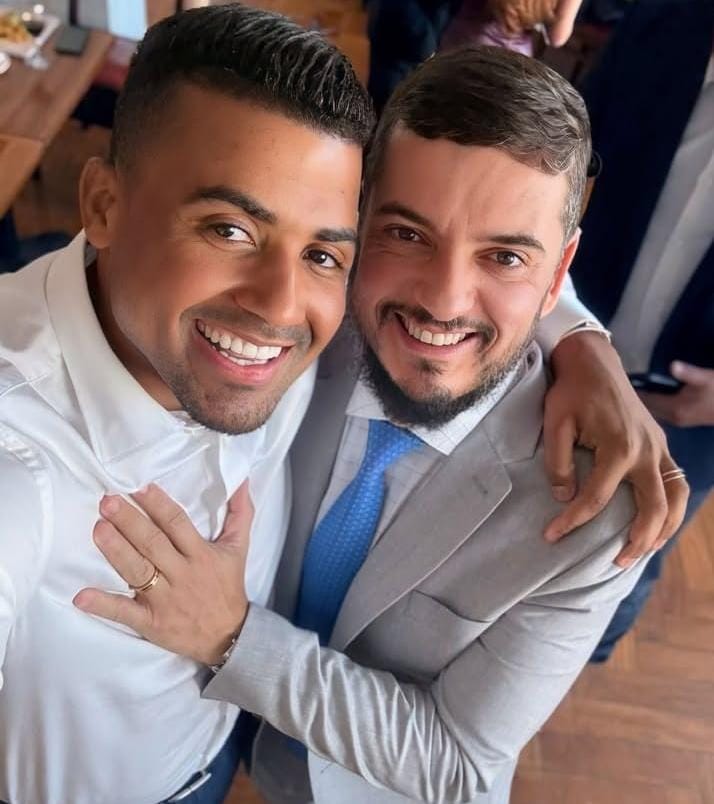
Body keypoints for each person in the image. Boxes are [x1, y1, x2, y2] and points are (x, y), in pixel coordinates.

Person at [76, 47, 688, 804]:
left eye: (504, 257)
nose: (442, 301)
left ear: (558, 273)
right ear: (358, 221)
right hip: (202, 734)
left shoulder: (599, 516)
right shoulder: (298, 329)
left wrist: (233, 638)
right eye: (407, 235)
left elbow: (458, 766)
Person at [0, 6, 372, 803]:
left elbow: (473, 246)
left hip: (222, 745)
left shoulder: (290, 333)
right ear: (103, 204)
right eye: (229, 230)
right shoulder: (17, 461)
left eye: (321, 253)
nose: (281, 306)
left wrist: (581, 343)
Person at [569, 0, 714, 662]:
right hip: (563, 346)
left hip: (688, 413)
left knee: (621, 570)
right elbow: (564, 165)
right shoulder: (661, 27)